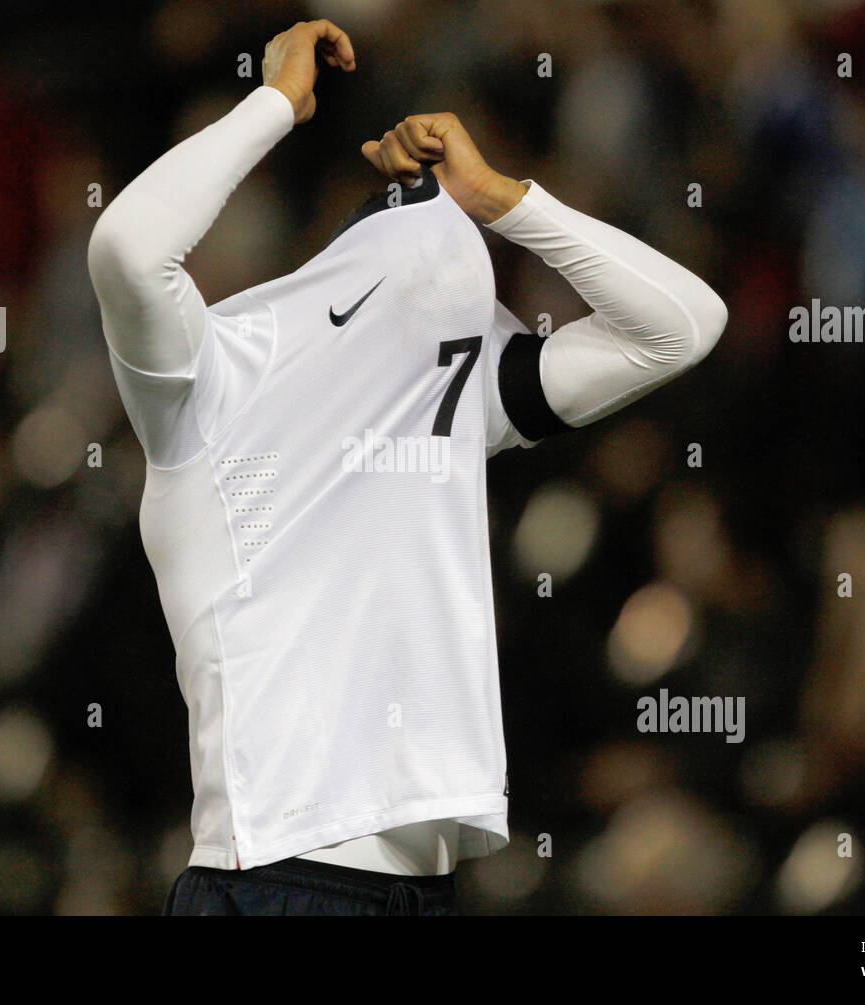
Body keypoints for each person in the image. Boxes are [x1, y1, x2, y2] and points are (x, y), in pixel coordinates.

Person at [86, 19, 727, 916]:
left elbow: (684, 325)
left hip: (422, 886)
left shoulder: (455, 396)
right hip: (270, 874)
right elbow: (125, 246)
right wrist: (273, 104)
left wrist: (510, 200)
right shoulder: (213, 374)